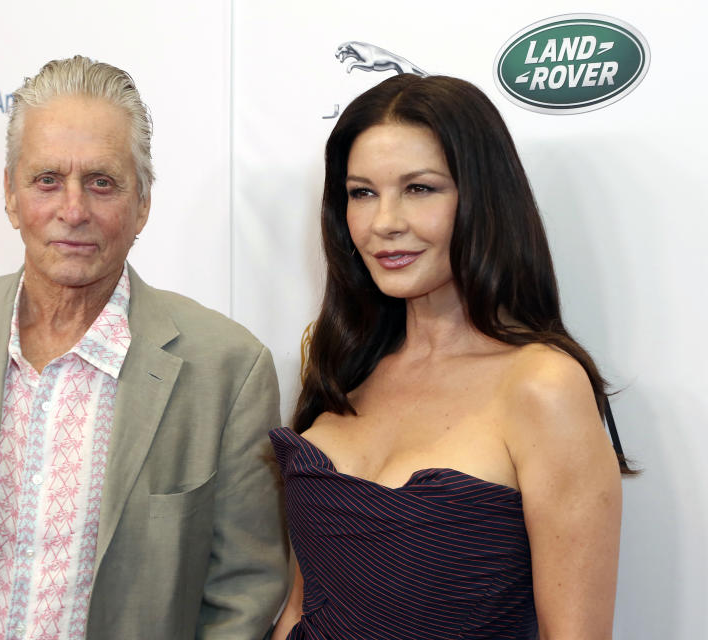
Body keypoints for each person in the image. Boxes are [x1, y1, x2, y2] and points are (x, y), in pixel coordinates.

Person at [0, 56, 287, 640]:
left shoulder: (228, 370)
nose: (73, 210)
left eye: (101, 182)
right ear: (11, 195)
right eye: (47, 180)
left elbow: (245, 590)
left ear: (142, 203)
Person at [269, 74, 627, 639]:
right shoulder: (342, 362)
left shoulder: (543, 386)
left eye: (420, 188)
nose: (384, 222)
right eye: (362, 192)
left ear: (482, 198)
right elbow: (299, 608)